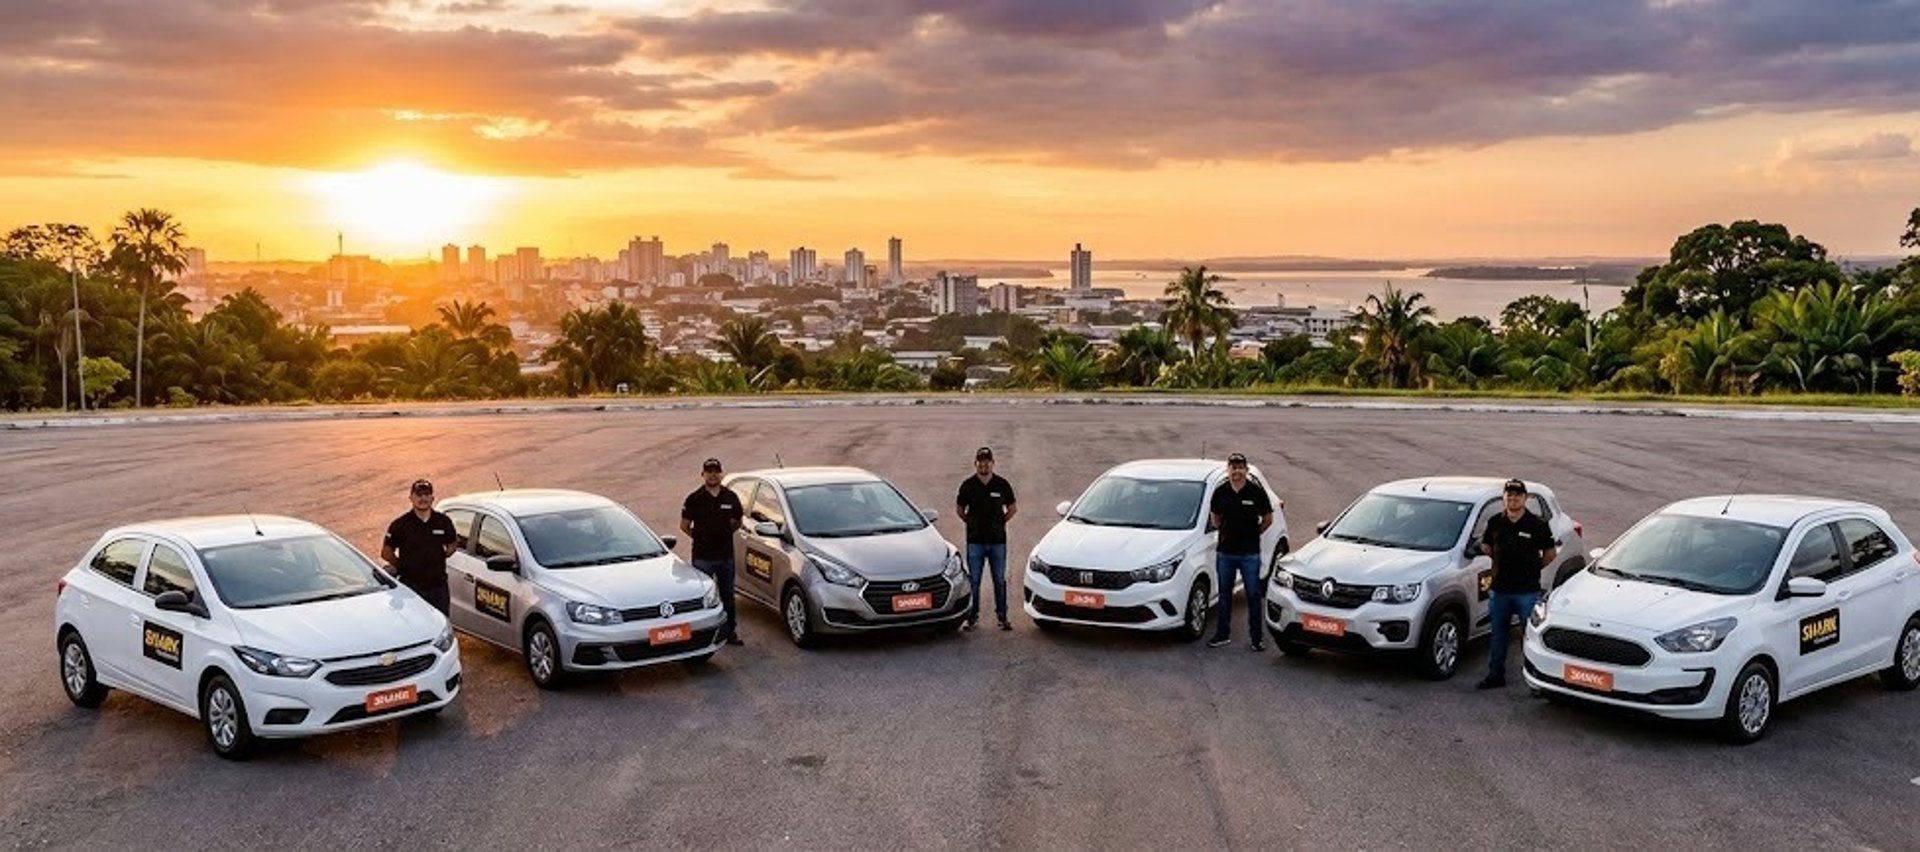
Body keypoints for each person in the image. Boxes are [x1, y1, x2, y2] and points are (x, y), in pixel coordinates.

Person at [1477, 478, 1558, 689]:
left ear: (1525, 498)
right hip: (1499, 590)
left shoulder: (1537, 524)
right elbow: (1486, 546)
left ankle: (1536, 680)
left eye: (1517, 495)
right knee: (1498, 636)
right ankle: (1495, 676)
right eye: (1509, 495)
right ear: (1504, 497)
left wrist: (1532, 568)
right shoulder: (1495, 522)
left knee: (1530, 637)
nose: (1512, 498)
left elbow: (1550, 553)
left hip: (1527, 591)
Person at [1208, 453, 1273, 651]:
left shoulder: (1256, 492)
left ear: (1246, 470)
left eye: (1240, 467)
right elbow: (1215, 519)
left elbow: (1268, 518)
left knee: (1253, 595)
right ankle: (1222, 634)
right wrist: (1226, 532)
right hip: (1225, 553)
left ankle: (1256, 639)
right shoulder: (1220, 492)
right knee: (1225, 595)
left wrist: (1254, 533)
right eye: (1233, 467)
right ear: (1227, 470)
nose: (1236, 471)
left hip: (1249, 554)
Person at [681, 458, 746, 645]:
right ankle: (700, 636)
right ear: (703, 474)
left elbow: (738, 521)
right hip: (702, 558)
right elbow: (684, 525)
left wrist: (723, 534)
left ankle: (729, 633)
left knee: (728, 597)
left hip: (726, 557)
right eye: (709, 471)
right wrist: (700, 537)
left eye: (716, 471)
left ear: (721, 473)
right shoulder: (694, 499)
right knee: (702, 599)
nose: (712, 474)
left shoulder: (731, 497)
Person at [956, 446, 1018, 631]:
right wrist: (971, 523)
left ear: (992, 463)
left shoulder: (1002, 484)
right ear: (975, 464)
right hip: (975, 542)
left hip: (997, 542)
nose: (984, 465)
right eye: (980, 462)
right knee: (974, 581)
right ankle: (972, 617)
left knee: (999, 580)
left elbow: (1012, 508)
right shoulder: (968, 485)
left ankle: (1002, 617)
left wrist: (1000, 522)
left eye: (987, 462)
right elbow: (960, 510)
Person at [382, 479, 459, 614]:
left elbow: (452, 544)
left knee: (441, 624)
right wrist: (403, 567)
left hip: (438, 588)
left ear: (432, 498)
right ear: (411, 498)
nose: (423, 498)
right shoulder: (400, 525)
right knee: (415, 626)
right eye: (419, 495)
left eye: (426, 494)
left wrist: (439, 557)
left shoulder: (443, 521)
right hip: (411, 588)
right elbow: (386, 552)